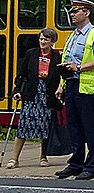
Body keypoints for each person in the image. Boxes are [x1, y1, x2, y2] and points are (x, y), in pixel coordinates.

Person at [54, 0, 94, 181]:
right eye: (71, 11)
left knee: (90, 127)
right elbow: (67, 61)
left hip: (86, 87)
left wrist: (79, 68)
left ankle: (92, 166)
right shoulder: (73, 35)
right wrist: (61, 86)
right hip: (71, 85)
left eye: (75, 11)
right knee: (74, 126)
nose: (72, 14)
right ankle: (76, 163)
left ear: (86, 13)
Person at [8, 28, 63, 169]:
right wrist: (17, 90)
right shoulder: (31, 54)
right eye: (41, 39)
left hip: (47, 95)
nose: (42, 41)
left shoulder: (57, 57)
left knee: (45, 127)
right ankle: (14, 159)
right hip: (31, 93)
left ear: (52, 41)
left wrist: (60, 90)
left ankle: (43, 156)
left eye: (45, 39)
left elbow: (60, 77)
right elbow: (22, 74)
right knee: (23, 126)